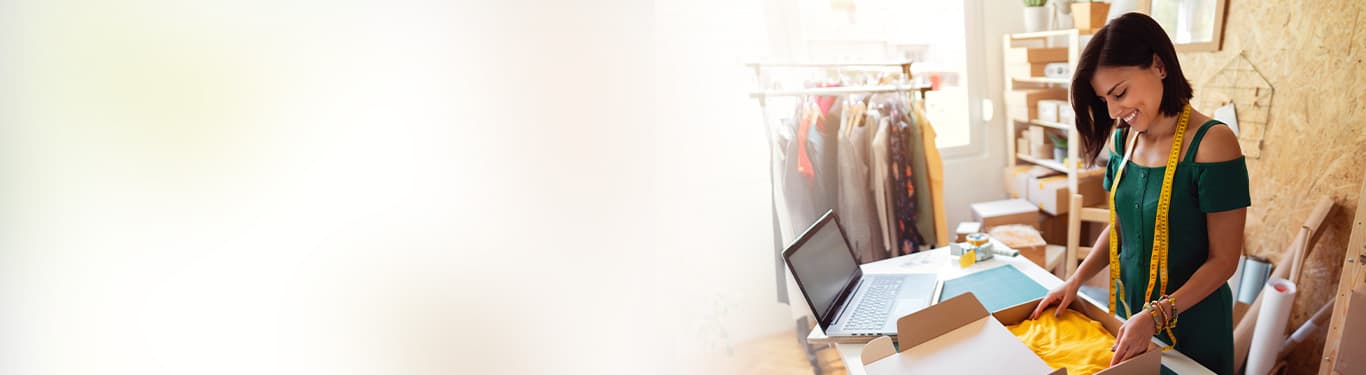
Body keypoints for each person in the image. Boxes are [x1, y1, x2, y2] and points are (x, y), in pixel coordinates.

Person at [1029, 13, 1249, 374]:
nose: (1115, 111)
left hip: (1194, 329)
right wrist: (1075, 280)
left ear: (1159, 65)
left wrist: (1157, 315)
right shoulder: (1125, 139)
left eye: (1120, 92)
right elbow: (1119, 227)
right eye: (1105, 100)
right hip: (1132, 317)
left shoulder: (1214, 143)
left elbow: (1224, 261)